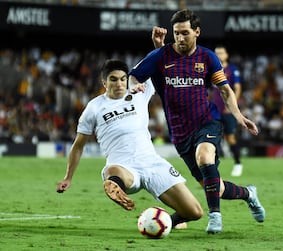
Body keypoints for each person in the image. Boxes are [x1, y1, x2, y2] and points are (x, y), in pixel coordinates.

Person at [128, 9, 265, 234]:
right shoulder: (161, 55)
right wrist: (135, 84)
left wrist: (239, 116)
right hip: (180, 134)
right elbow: (135, 74)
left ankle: (215, 217)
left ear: (197, 32)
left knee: (204, 156)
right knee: (216, 188)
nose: (180, 38)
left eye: (185, 33)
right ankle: (249, 193)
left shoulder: (207, 57)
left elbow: (225, 90)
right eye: (176, 33)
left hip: (207, 121)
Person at [56, 59, 203, 230]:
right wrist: (68, 177)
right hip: (124, 167)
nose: (119, 83)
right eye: (113, 79)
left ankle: (165, 221)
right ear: (104, 82)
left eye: (122, 79)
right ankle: (114, 186)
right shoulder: (94, 108)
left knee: (195, 212)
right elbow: (78, 145)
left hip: (152, 163)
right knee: (112, 171)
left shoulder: (139, 91)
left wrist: (157, 45)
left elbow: (159, 63)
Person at [211, 45, 243, 176]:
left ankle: (237, 163)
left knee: (230, 137)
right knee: (213, 137)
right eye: (216, 53)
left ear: (226, 55)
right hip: (214, 110)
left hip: (227, 110)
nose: (218, 55)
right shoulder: (211, 70)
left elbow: (237, 88)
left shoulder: (232, 70)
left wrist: (232, 106)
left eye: (221, 53)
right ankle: (212, 168)